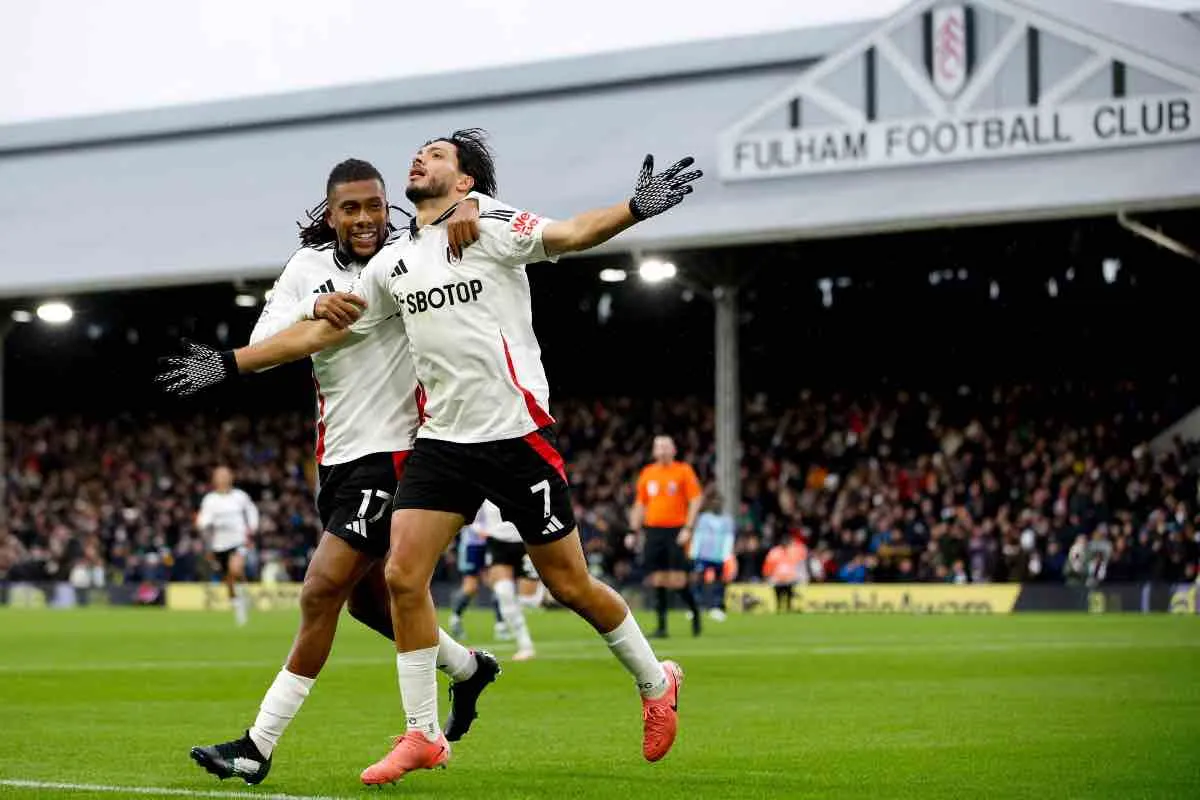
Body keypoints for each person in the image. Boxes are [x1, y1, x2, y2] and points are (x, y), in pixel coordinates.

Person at [156, 129, 702, 784]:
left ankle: (654, 680)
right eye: (420, 153)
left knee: (568, 584)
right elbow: (318, 330)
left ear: (465, 183)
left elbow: (575, 234)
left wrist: (634, 207)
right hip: (442, 441)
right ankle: (422, 735)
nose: (421, 157)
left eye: (438, 154)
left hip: (515, 433)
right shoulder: (389, 266)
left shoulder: (492, 224)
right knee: (399, 581)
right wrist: (229, 362)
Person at [175, 159, 498, 788]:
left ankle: (257, 744)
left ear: (388, 206)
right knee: (369, 603)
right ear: (330, 213)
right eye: (350, 209)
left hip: (401, 453)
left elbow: (475, 222)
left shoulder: (415, 251)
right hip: (338, 460)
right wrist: (313, 309)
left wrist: (471, 205)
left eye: (374, 205)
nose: (365, 219)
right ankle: (467, 668)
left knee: (320, 588)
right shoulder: (305, 271)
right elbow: (267, 341)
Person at [630, 435, 704, 638]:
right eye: (658, 447)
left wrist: (688, 527)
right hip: (653, 531)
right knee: (657, 579)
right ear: (654, 451)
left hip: (676, 530)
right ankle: (662, 627)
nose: (662, 450)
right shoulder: (647, 473)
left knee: (678, 580)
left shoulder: (683, 471)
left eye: (665, 446)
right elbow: (640, 504)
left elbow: (696, 499)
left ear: (674, 450)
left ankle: (695, 612)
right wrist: (633, 531)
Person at [196, 465, 259, 627]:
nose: (223, 478)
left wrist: (251, 529)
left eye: (226, 475)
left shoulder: (240, 496)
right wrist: (204, 525)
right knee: (229, 579)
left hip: (238, 541)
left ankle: (242, 596)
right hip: (219, 545)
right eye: (220, 475)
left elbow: (252, 512)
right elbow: (203, 521)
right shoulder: (210, 500)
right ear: (214, 479)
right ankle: (239, 601)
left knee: (235, 568)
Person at [479, 499, 538, 660]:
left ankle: (542, 586)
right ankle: (525, 645)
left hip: (527, 540)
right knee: (504, 593)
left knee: (529, 601)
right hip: (498, 542)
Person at [449, 508, 508, 642]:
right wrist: (481, 531)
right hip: (472, 545)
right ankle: (455, 619)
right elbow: (467, 519)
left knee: (497, 585)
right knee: (471, 587)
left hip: (490, 543)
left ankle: (501, 626)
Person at [689, 487, 736, 621]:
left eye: (719, 501)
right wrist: (694, 552)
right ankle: (696, 606)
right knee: (698, 579)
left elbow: (729, 538)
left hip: (718, 556)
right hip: (703, 555)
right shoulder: (703, 518)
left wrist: (727, 554)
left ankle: (717, 606)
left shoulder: (727, 520)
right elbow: (697, 535)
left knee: (719, 581)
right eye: (714, 501)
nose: (717, 503)